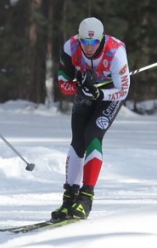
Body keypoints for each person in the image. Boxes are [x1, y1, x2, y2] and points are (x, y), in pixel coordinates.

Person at [52, 17, 130, 221]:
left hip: (109, 96)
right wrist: (80, 87)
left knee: (92, 135)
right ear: (78, 38)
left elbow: (123, 90)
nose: (88, 47)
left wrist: (99, 94)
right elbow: (63, 84)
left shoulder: (115, 53)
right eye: (84, 42)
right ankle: (69, 199)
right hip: (85, 94)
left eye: (93, 42)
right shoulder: (70, 47)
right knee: (77, 140)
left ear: (101, 39)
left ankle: (86, 199)